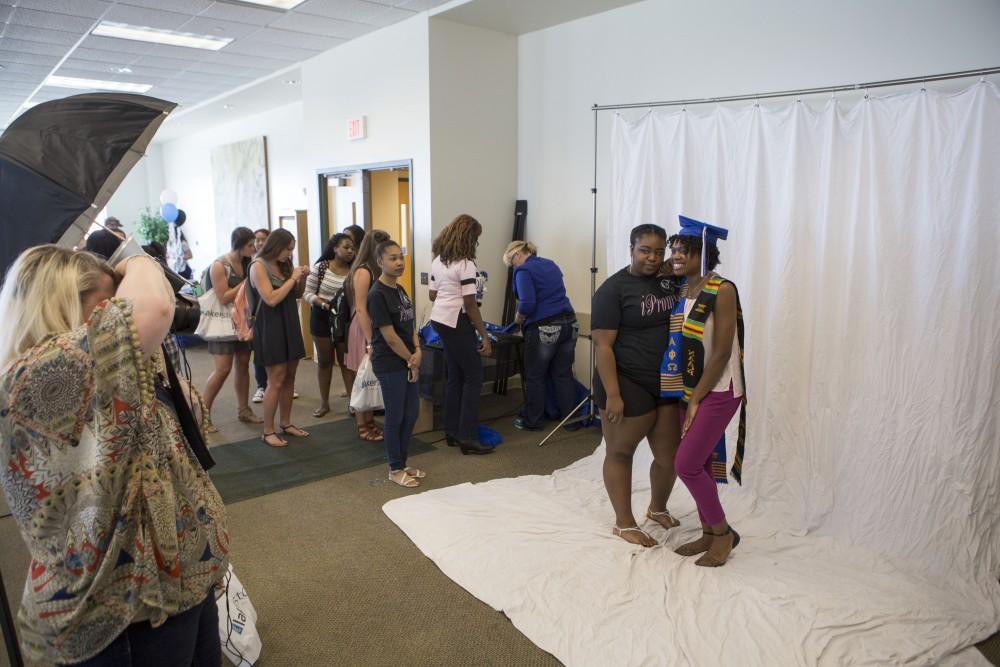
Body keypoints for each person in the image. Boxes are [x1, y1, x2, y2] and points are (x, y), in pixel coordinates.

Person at [0, 246, 229, 665]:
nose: (119, 313)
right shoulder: (31, 378)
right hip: (121, 612)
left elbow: (187, 423)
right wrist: (133, 258)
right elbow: (156, 307)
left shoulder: (106, 368)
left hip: (178, 584)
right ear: (60, 306)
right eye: (108, 305)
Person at [592, 223, 684, 547]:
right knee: (620, 451)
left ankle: (656, 508)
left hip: (664, 379)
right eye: (645, 250)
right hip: (625, 380)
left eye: (659, 252)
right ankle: (624, 523)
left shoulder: (669, 281)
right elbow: (602, 346)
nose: (652, 257)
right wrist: (613, 395)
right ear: (631, 248)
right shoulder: (613, 290)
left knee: (671, 456)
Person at [668, 216, 747, 567]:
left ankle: (723, 533)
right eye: (674, 251)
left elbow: (721, 352)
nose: (675, 257)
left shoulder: (722, 289)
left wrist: (698, 397)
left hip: (720, 388)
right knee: (698, 462)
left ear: (704, 254)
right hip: (691, 387)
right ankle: (709, 531)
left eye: (683, 251)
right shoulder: (684, 291)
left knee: (685, 465)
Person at [429, 214, 493, 455]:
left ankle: (452, 431)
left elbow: (433, 296)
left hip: (440, 320)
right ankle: (468, 436)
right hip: (457, 320)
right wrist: (484, 336)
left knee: (455, 377)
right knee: (474, 377)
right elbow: (470, 304)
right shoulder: (466, 264)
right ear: (468, 238)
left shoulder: (438, 261)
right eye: (475, 239)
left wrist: (450, 292)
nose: (476, 244)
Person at [502, 240, 579, 431]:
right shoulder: (550, 264)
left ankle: (534, 421)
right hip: (570, 323)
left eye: (512, 264)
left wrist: (519, 319)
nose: (514, 268)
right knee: (563, 374)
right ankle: (570, 420)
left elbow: (528, 303)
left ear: (517, 255)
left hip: (545, 328)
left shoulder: (524, 271)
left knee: (535, 376)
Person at [368, 240, 425, 488]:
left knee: (411, 413)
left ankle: (403, 461)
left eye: (400, 257)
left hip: (408, 359)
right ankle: (394, 467)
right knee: (396, 415)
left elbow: (409, 325)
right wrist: (410, 359)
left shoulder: (400, 290)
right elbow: (389, 336)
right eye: (392, 258)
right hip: (390, 362)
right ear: (380, 262)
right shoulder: (377, 294)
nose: (399, 262)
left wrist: (418, 350)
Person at [249, 228, 311, 447]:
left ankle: (286, 423)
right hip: (270, 326)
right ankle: (267, 431)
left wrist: (301, 278)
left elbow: (296, 295)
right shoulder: (258, 266)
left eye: (292, 249)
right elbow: (271, 299)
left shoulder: (286, 265)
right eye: (287, 249)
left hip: (289, 323)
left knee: (290, 376)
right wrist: (293, 277)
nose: (289, 253)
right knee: (275, 378)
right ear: (276, 246)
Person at [201, 226, 261, 431]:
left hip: (242, 323)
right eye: (250, 245)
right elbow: (224, 296)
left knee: (243, 366)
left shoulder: (248, 262)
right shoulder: (219, 265)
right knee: (222, 369)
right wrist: (245, 282)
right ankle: (203, 414)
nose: (254, 248)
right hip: (222, 324)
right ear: (239, 245)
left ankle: (244, 410)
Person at [344, 229, 390, 441]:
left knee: (371, 376)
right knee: (361, 378)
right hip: (363, 327)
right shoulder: (363, 271)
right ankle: (363, 425)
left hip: (372, 326)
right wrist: (371, 339)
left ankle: (370, 422)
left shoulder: (374, 269)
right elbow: (361, 309)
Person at [303, 232, 355, 417]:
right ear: (335, 249)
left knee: (346, 362)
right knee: (325, 362)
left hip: (343, 320)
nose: (350, 251)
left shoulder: (354, 270)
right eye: (345, 247)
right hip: (322, 317)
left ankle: (352, 402)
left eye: (352, 248)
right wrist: (321, 302)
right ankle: (324, 403)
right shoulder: (321, 267)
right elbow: (307, 293)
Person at [251, 228, 270, 403]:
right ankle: (261, 386)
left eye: (263, 239)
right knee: (259, 352)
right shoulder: (252, 263)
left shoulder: (276, 262)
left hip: (272, 312)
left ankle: (277, 384)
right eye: (257, 240)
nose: (259, 243)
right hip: (255, 314)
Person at [165, 209, 193, 279]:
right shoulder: (171, 243)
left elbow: (190, 255)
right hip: (177, 273)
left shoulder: (182, 242)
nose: (169, 231)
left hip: (185, 273)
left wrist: (178, 258)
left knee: (196, 288)